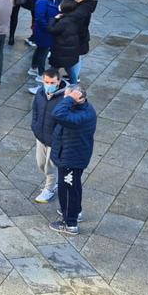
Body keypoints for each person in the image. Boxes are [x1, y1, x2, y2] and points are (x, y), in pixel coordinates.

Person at [49, 87, 97, 236]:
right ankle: (75, 212)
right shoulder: (81, 110)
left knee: (68, 189)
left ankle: (70, 223)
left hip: (71, 158)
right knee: (73, 186)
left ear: (77, 98)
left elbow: (57, 114)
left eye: (67, 97)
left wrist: (69, 98)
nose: (64, 99)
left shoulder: (83, 115)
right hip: (70, 154)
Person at [30, 69, 66, 203]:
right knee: (40, 163)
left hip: (54, 140)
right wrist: (35, 126)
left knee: (49, 167)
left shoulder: (64, 99)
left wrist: (58, 137)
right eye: (46, 82)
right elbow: (35, 110)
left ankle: (49, 189)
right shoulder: (40, 92)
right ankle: (53, 182)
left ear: (58, 82)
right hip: (40, 136)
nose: (49, 84)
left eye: (52, 82)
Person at [29, 0, 61, 89]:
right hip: (44, 31)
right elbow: (40, 18)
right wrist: (49, 27)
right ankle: (40, 73)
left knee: (40, 49)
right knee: (43, 52)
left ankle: (33, 68)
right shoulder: (42, 1)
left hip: (47, 30)